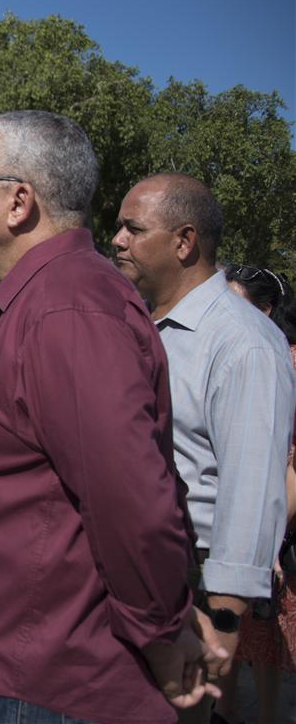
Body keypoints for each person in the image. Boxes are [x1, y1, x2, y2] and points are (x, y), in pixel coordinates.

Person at [0, 110, 218, 723]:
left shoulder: (68, 306)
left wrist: (161, 632)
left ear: (18, 202)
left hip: (45, 676)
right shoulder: (54, 298)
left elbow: (128, 494)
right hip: (24, 661)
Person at [113, 175, 296, 723]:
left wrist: (225, 618)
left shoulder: (243, 342)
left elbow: (252, 492)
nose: (117, 240)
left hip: (192, 583)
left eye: (133, 228)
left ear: (184, 241)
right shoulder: (146, 326)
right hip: (138, 570)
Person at [216, 265, 296, 724]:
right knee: (232, 624)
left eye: (235, 302)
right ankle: (224, 710)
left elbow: (291, 462)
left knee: (266, 632)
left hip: (275, 516)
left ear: (265, 310)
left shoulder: (282, 360)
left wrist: (270, 537)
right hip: (242, 507)